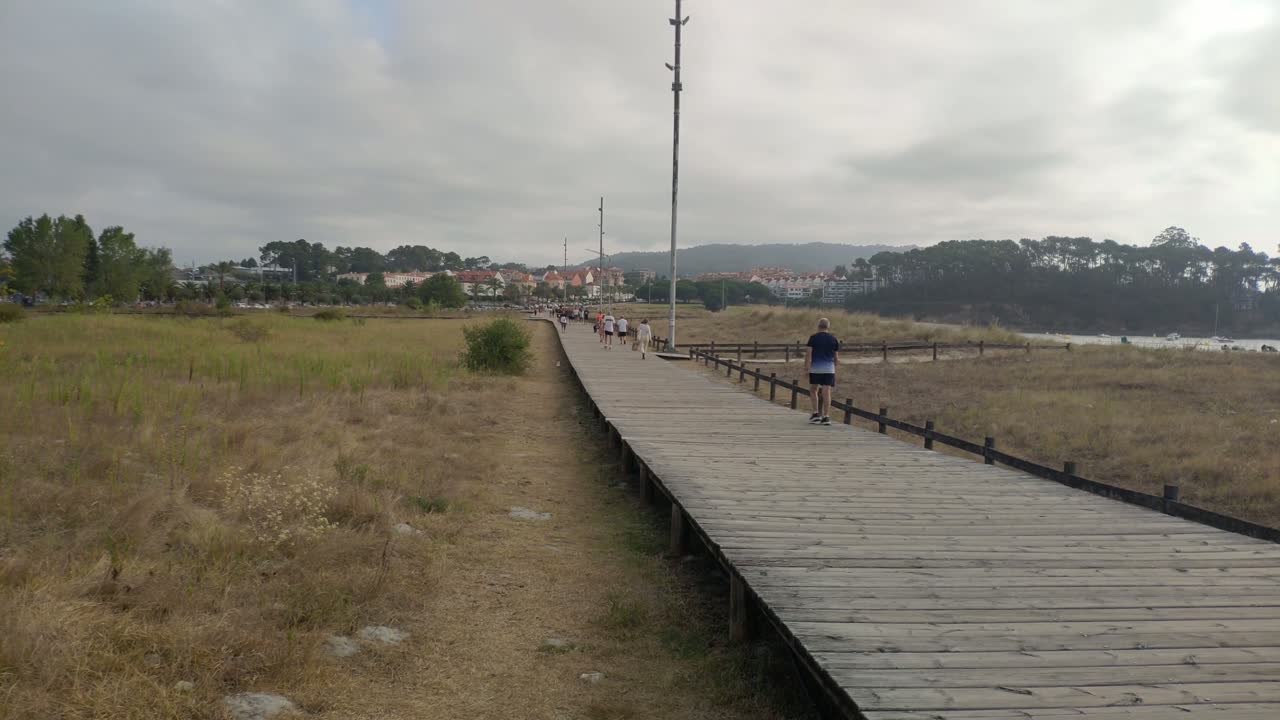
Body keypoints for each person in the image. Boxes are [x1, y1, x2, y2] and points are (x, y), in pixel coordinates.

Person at [805, 318, 840, 426]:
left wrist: (807, 368)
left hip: (816, 368)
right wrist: (833, 368)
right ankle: (826, 416)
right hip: (829, 369)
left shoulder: (813, 338)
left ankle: (816, 413)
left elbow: (809, 355)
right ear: (828, 326)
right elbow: (836, 358)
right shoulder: (834, 339)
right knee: (826, 392)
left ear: (818, 326)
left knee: (813, 389)